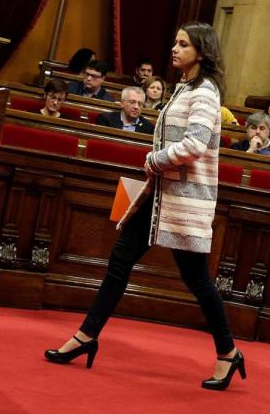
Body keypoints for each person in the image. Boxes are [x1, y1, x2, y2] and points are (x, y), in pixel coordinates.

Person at [45, 21, 244, 391]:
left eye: (183, 44)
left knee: (197, 280)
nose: (174, 48)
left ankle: (229, 354)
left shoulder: (204, 92)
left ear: (201, 51)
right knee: (119, 262)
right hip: (162, 195)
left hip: (184, 199)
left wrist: (153, 160)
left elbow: (195, 146)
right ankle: (87, 335)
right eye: (175, 41)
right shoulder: (185, 86)